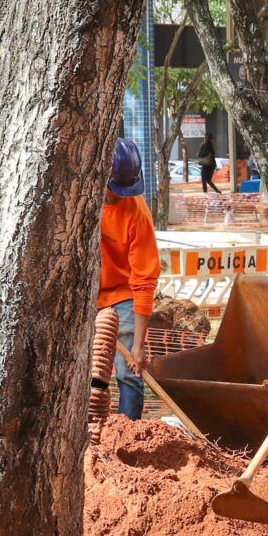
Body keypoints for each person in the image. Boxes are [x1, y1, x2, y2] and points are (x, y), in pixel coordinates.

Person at [98, 137, 161, 422]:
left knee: (128, 373)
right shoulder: (76, 200)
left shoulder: (136, 212)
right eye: (115, 189)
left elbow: (144, 280)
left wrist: (138, 343)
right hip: (82, 296)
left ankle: (127, 436)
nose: (120, 196)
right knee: (88, 372)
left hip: (122, 295)